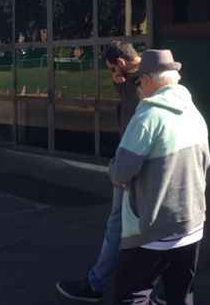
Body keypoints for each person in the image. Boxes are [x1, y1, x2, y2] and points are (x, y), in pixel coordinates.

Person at [110, 49, 210, 305]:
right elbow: (205, 163)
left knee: (132, 296)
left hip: (153, 230)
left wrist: (114, 168)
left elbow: (120, 173)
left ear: (150, 80)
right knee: (180, 296)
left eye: (140, 80)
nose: (139, 87)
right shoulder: (194, 113)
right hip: (191, 225)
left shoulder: (147, 116)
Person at [57, 41, 142, 302]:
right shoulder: (138, 80)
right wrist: (119, 81)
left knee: (118, 225)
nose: (111, 75)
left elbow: (133, 124)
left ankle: (96, 284)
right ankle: (168, 290)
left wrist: (120, 170)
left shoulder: (138, 86)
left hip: (132, 163)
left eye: (111, 69)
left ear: (122, 63)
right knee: (143, 228)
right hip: (139, 163)